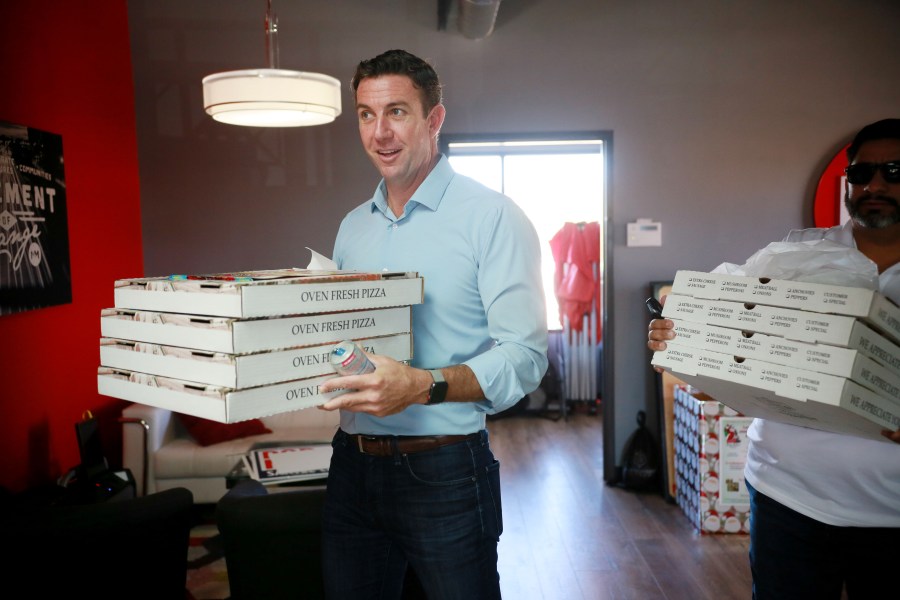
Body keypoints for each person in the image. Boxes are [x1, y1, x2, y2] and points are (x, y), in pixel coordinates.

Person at [317, 49, 549, 600]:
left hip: (443, 469)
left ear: (434, 119)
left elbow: (525, 355)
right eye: (366, 115)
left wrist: (423, 385)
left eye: (397, 111)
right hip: (351, 468)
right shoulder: (352, 227)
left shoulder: (492, 216)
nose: (381, 133)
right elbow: (348, 342)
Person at [648, 118, 900, 599]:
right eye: (863, 172)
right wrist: (677, 337)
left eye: (894, 171)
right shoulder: (796, 257)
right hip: (789, 497)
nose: (875, 185)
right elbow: (721, 334)